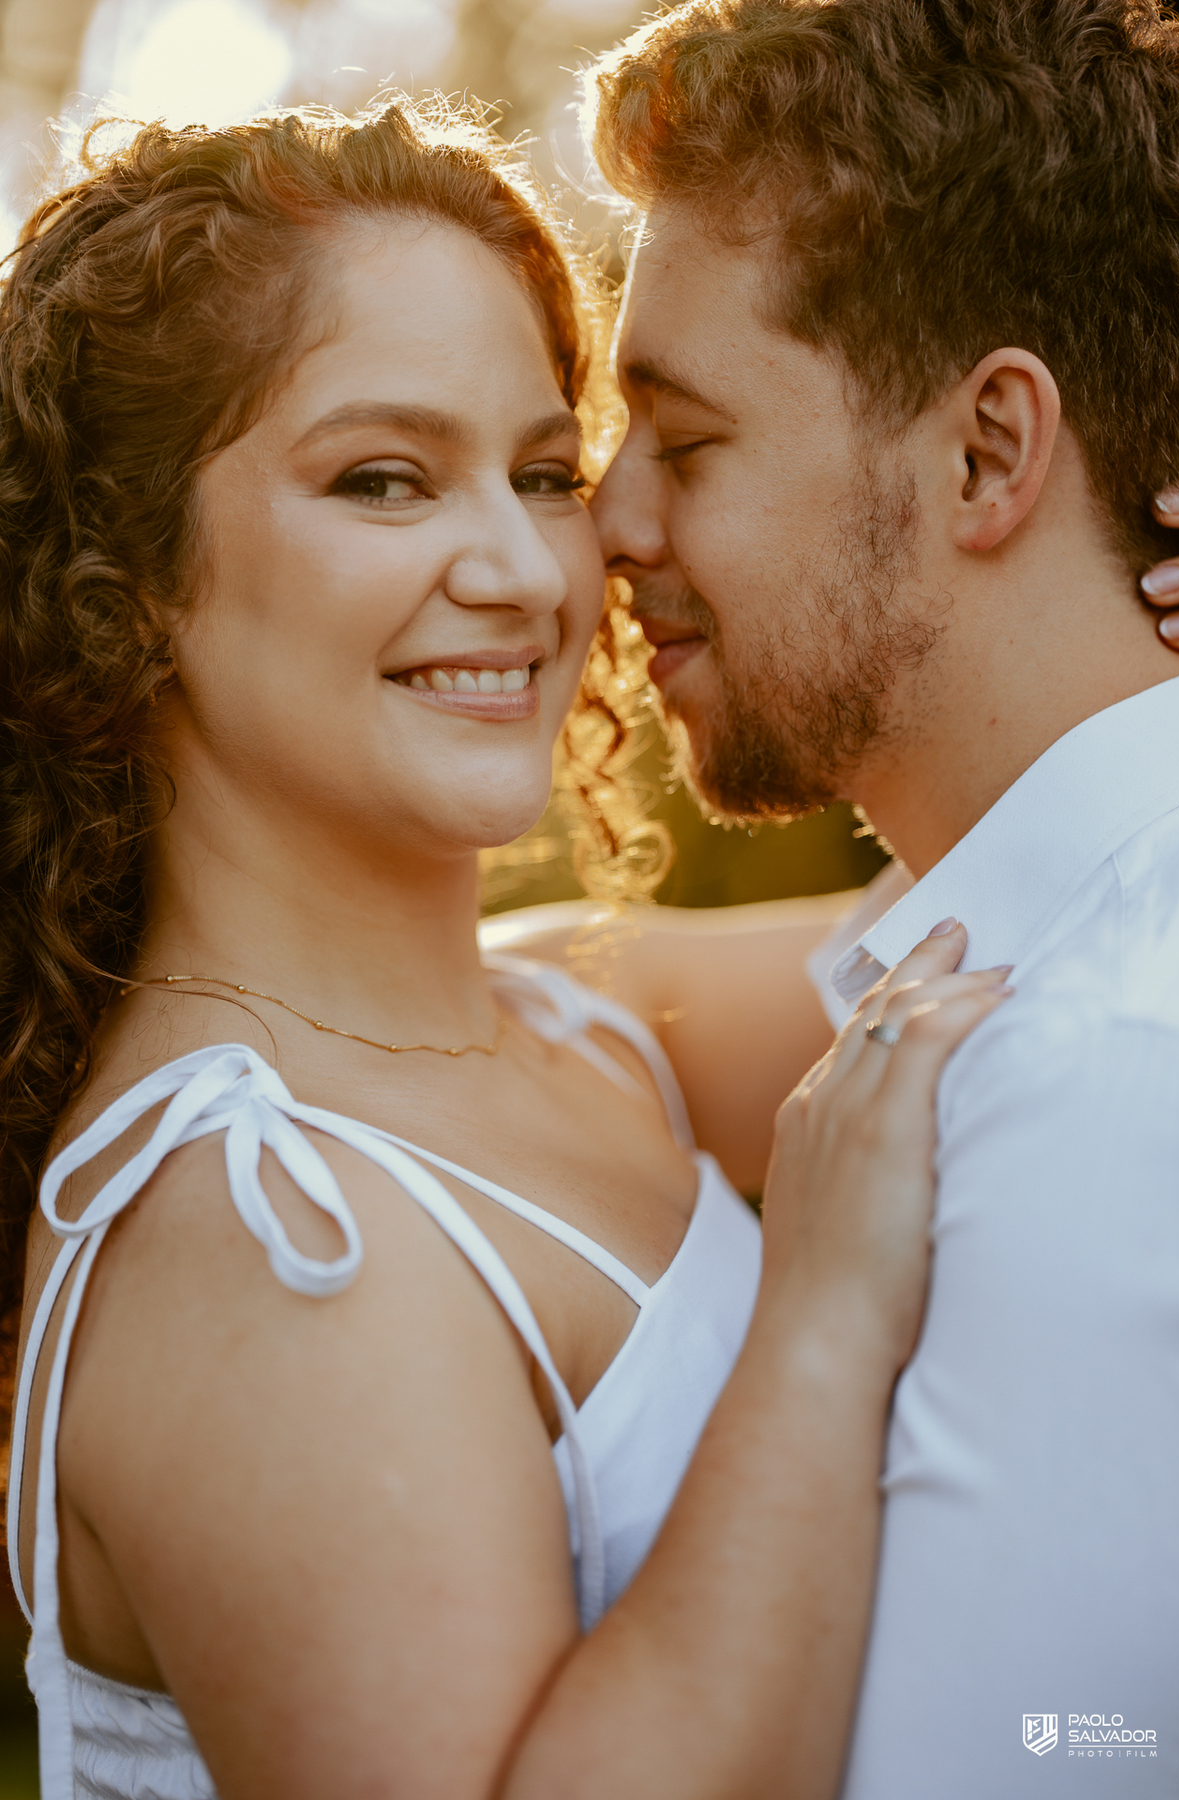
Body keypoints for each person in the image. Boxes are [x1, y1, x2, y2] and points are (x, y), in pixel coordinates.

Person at [0, 99, 1009, 1800]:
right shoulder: (268, 1230)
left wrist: (1119, 593)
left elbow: (1029, 921)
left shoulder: (581, 1015)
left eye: (544, 475)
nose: (526, 570)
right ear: (130, 576)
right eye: (383, 479)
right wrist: (824, 1324)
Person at [554, 0, 1179, 1792]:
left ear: (987, 453)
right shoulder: (1012, 945)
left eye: (688, 439)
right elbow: (578, 987)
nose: (607, 525)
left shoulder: (1104, 1078)